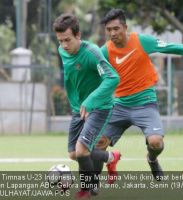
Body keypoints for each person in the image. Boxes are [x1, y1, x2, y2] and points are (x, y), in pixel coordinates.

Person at [96, 8, 183, 181]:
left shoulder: (142, 41)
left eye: (116, 29)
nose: (112, 33)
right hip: (119, 105)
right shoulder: (104, 51)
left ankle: (152, 159)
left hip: (145, 103)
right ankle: (93, 183)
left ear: (125, 27)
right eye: (108, 30)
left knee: (156, 143)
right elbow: (97, 78)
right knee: (98, 143)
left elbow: (171, 47)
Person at [53, 13, 121, 199]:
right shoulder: (62, 51)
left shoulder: (92, 53)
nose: (65, 45)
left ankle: (86, 190)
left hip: (100, 107)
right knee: (74, 154)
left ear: (78, 35)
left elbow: (113, 78)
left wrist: (91, 100)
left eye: (68, 40)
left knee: (82, 150)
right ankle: (110, 158)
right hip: (79, 109)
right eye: (60, 41)